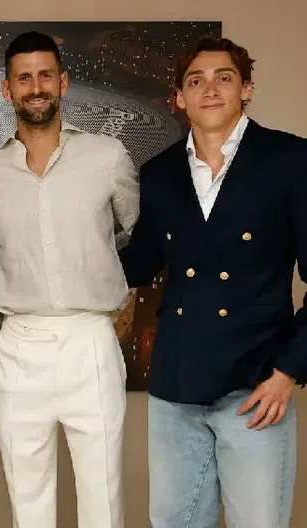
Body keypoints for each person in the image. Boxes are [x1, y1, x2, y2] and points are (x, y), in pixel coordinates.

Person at [119, 36, 307, 527]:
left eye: (223, 78)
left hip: (256, 387)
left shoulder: (291, 160)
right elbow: (137, 266)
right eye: (195, 81)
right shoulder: (159, 174)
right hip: (175, 388)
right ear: (179, 98)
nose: (210, 90)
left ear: (246, 88)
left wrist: (288, 372)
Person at [0, 31, 139, 528]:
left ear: (62, 82)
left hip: (91, 339)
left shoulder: (108, 156)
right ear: (8, 90)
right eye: (24, 78)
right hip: (21, 344)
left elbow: (134, 232)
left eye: (45, 75)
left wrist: (118, 291)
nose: (36, 87)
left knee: (103, 499)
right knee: (28, 501)